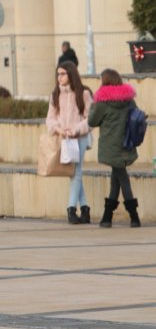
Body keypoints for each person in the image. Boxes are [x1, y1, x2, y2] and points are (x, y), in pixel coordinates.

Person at [88, 69, 140, 228]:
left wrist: (92, 105)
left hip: (111, 146)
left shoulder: (102, 101)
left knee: (122, 177)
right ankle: (107, 217)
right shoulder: (129, 100)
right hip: (127, 142)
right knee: (117, 176)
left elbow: (92, 121)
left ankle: (133, 216)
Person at [46, 61, 92, 224]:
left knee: (75, 172)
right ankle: (85, 210)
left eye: (63, 74)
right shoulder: (55, 95)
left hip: (79, 137)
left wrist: (75, 130)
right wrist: (59, 130)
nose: (59, 77)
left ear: (71, 74)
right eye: (58, 74)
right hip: (64, 138)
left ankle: (71, 209)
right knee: (74, 173)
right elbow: (50, 119)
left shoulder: (84, 93)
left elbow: (89, 119)